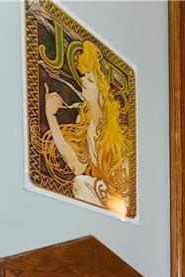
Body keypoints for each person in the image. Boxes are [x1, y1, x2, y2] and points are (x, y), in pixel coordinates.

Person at [41, 40, 130, 215]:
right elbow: (77, 166)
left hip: (119, 200)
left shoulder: (112, 129)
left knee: (81, 184)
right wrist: (51, 116)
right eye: (84, 76)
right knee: (80, 183)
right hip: (103, 199)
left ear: (102, 94)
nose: (82, 80)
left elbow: (122, 188)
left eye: (89, 79)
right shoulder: (84, 118)